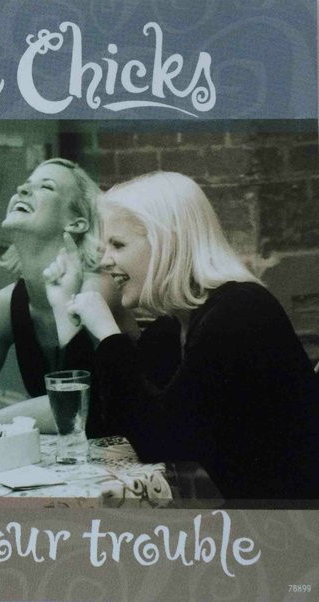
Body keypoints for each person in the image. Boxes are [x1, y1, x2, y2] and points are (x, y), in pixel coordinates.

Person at [45, 171, 319, 500]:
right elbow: (104, 432)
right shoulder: (172, 328)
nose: (105, 261)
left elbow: (160, 443)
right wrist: (66, 315)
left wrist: (107, 335)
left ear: (168, 242)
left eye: (118, 245)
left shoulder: (240, 313)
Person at [0, 158, 137, 434]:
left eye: (46, 186)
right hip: (70, 452)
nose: (21, 189)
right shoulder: (4, 305)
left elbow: (81, 405)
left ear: (77, 223)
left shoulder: (96, 291)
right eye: (26, 184)